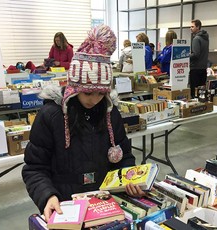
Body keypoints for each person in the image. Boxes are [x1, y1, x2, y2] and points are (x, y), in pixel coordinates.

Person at [22, 25, 145, 221]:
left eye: (100, 93)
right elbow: (35, 167)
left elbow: (124, 155)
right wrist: (47, 196)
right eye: (87, 92)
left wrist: (130, 178)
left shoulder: (110, 112)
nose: (94, 99)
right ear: (73, 87)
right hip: (65, 206)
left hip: (106, 203)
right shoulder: (51, 116)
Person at [189, 19, 209, 98]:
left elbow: (196, 54)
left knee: (194, 93)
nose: (190, 28)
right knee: (201, 93)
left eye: (192, 26)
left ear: (198, 27)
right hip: (203, 68)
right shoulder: (206, 38)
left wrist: (185, 56)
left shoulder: (196, 39)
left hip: (195, 68)